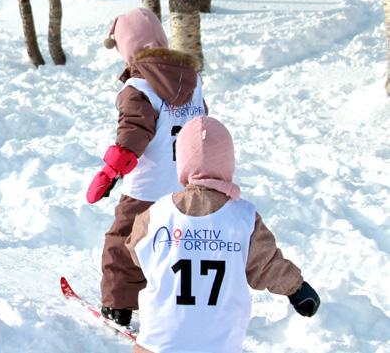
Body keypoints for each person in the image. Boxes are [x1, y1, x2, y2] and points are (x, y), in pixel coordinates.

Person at [127, 116, 320, 352]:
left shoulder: (157, 213)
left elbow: (136, 250)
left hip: (157, 342)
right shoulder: (243, 218)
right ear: (228, 163)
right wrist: (297, 289)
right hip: (218, 344)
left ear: (182, 162)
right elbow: (268, 265)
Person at [85, 7, 207, 328]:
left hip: (147, 187)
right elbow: (201, 128)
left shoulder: (138, 89)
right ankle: (176, 298)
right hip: (184, 185)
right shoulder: (193, 82)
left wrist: (110, 173)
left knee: (124, 243)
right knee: (173, 242)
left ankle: (119, 306)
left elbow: (131, 138)